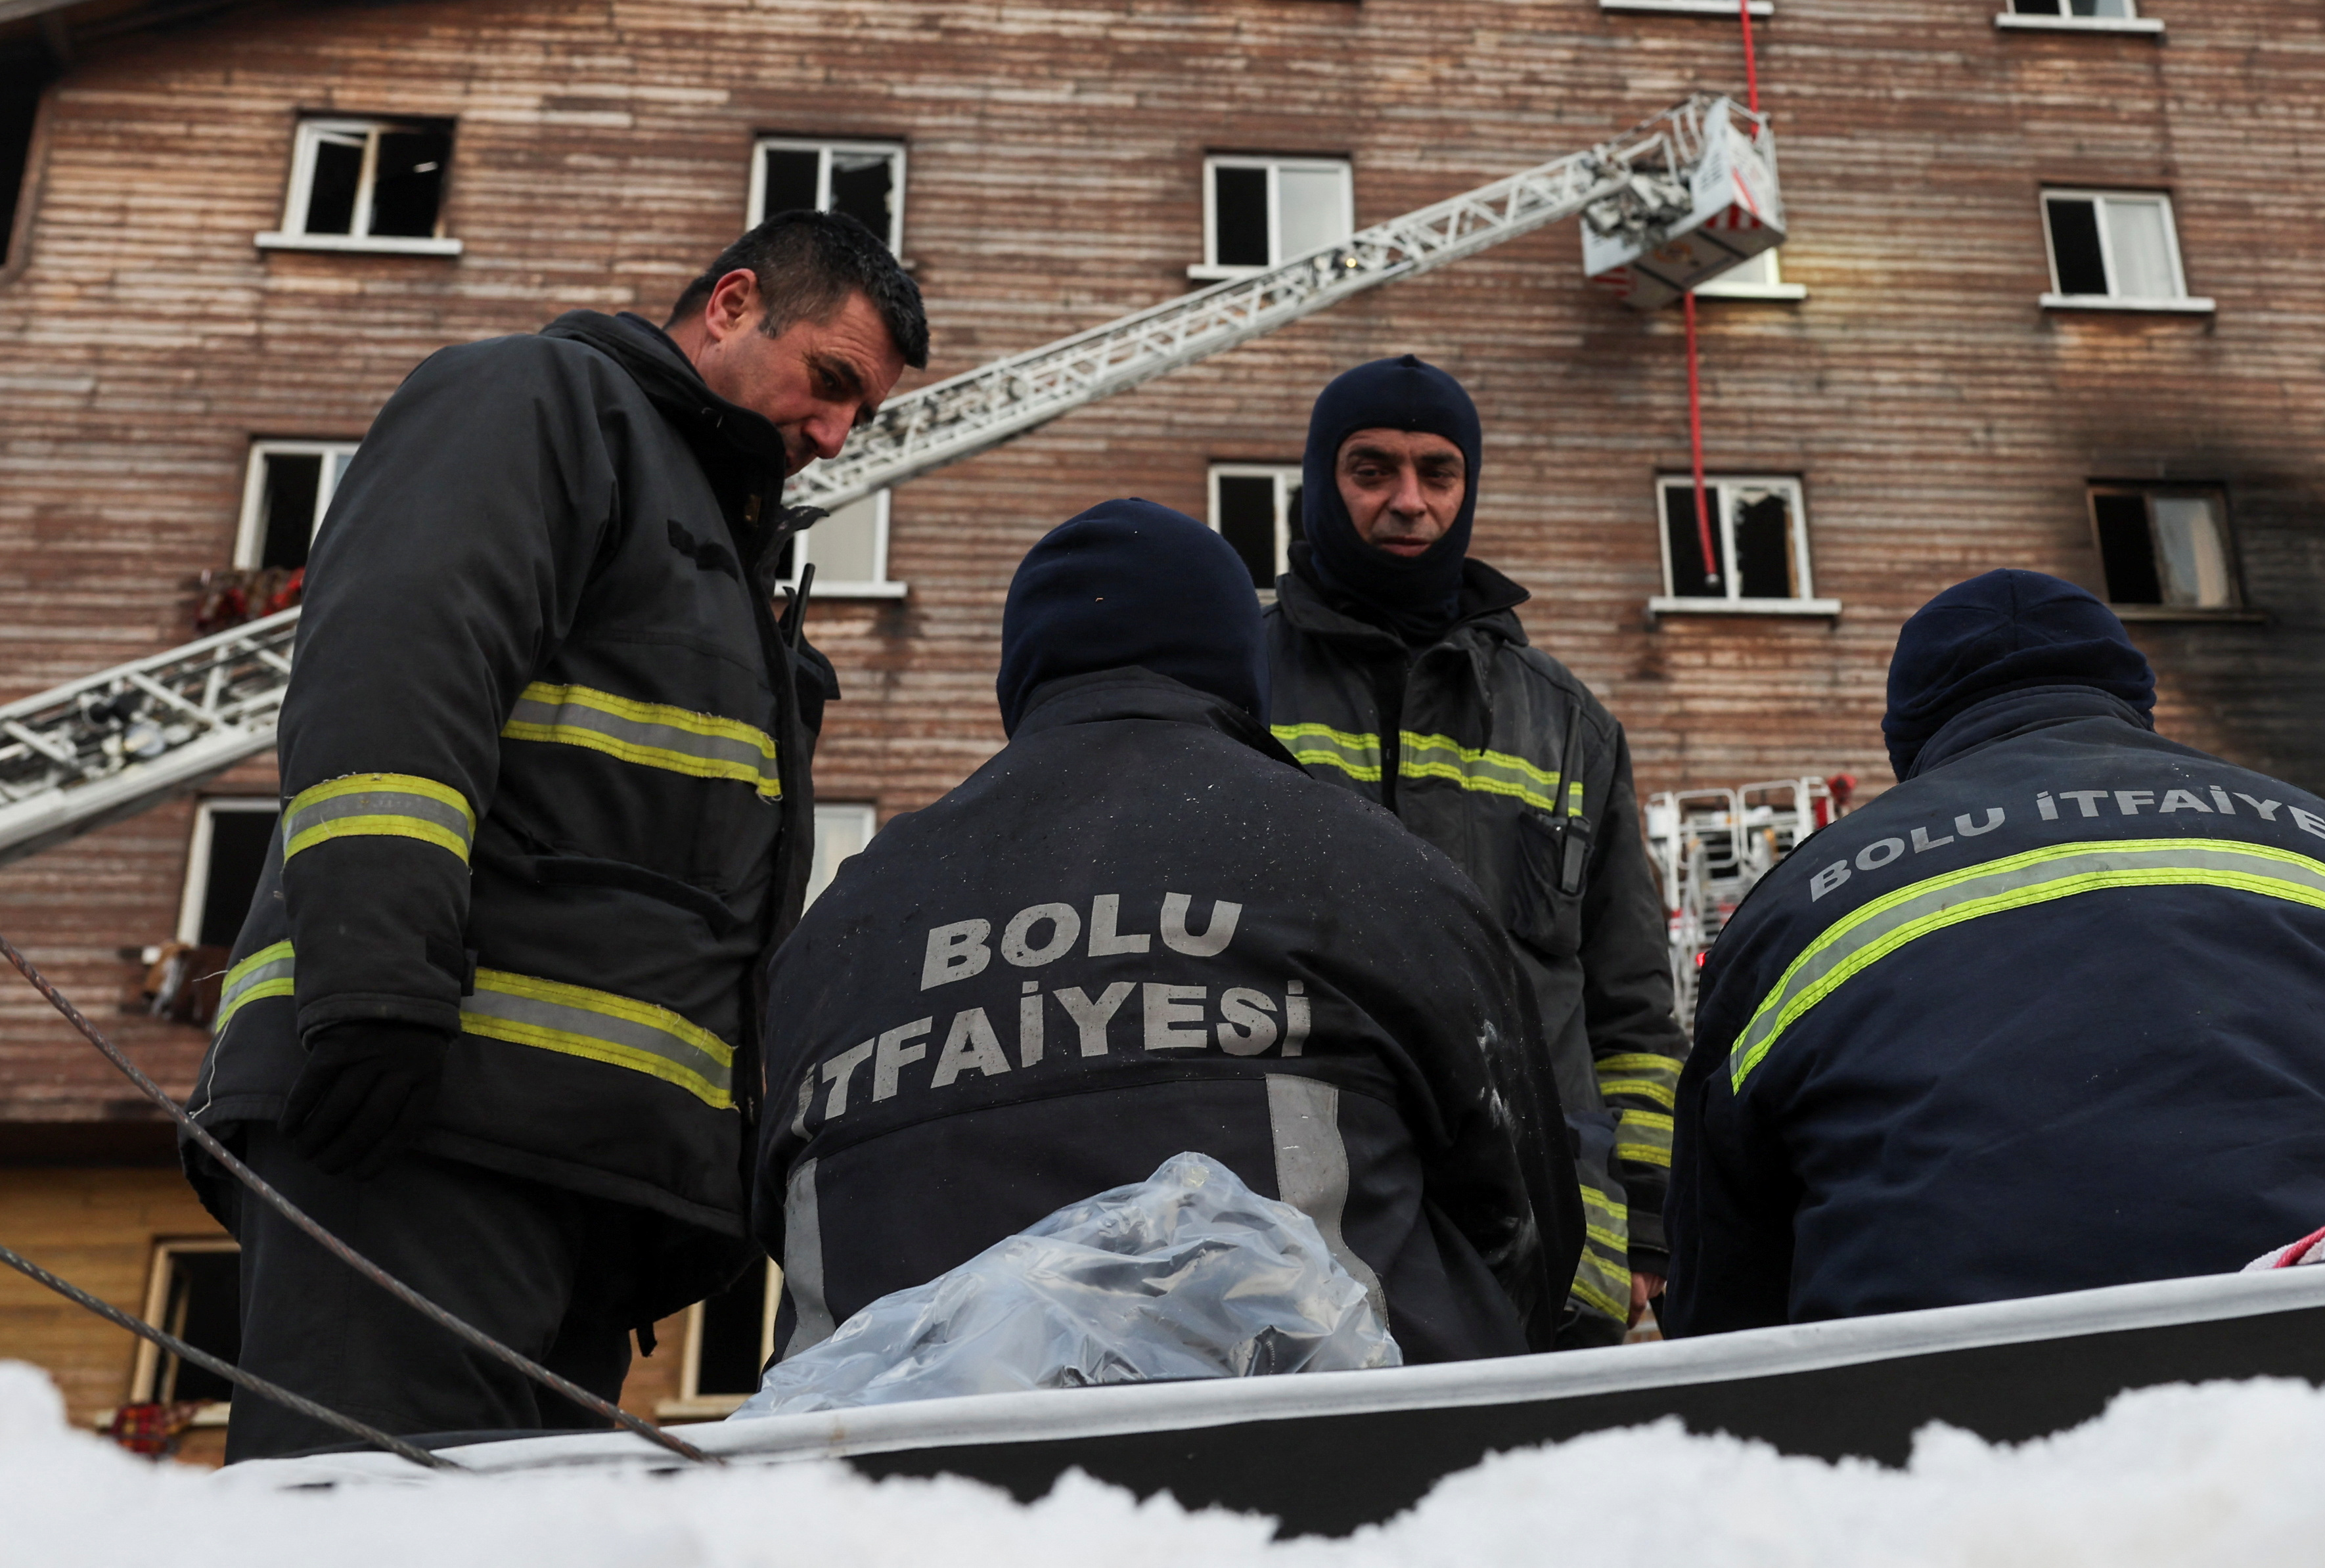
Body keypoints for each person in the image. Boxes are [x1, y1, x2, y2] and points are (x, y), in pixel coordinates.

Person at [184, 212, 926, 1456]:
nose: (839, 433)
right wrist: (377, 988)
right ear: (734, 303)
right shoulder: (536, 401)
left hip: (587, 1176)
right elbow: (398, 671)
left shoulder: (718, 547)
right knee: (374, 1542)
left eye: (866, 412)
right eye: (833, 381)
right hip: (425, 1121)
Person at [757, 500, 1581, 1364]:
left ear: (1022, 678)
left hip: (885, 1475)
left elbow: (788, 1219)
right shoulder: (1365, 862)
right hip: (1329, 1462)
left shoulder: (840, 924)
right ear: (1238, 665)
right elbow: (1523, 1217)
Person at [1663, 569, 2325, 1333]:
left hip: (1947, 1406)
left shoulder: (1796, 902)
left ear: (1907, 735)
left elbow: (1724, 1292)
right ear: (2135, 699)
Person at [1259, 356, 1682, 1343]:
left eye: (1437, 472)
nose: (1409, 501)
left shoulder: (1569, 722)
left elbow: (1631, 1008)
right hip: (1296, 1236)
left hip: (1551, 1239)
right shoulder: (1238, 681)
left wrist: (1651, 1222)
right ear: (1321, 479)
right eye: (1373, 470)